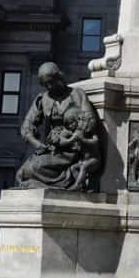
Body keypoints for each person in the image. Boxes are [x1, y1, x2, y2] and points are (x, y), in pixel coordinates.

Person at [16, 62, 102, 191]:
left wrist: (73, 137)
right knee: (22, 173)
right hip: (54, 147)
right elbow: (27, 126)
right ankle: (60, 181)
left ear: (59, 77)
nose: (49, 86)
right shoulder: (42, 99)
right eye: (45, 84)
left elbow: (89, 119)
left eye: (51, 82)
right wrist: (37, 144)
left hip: (73, 149)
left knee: (35, 168)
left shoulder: (77, 95)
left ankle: (69, 178)